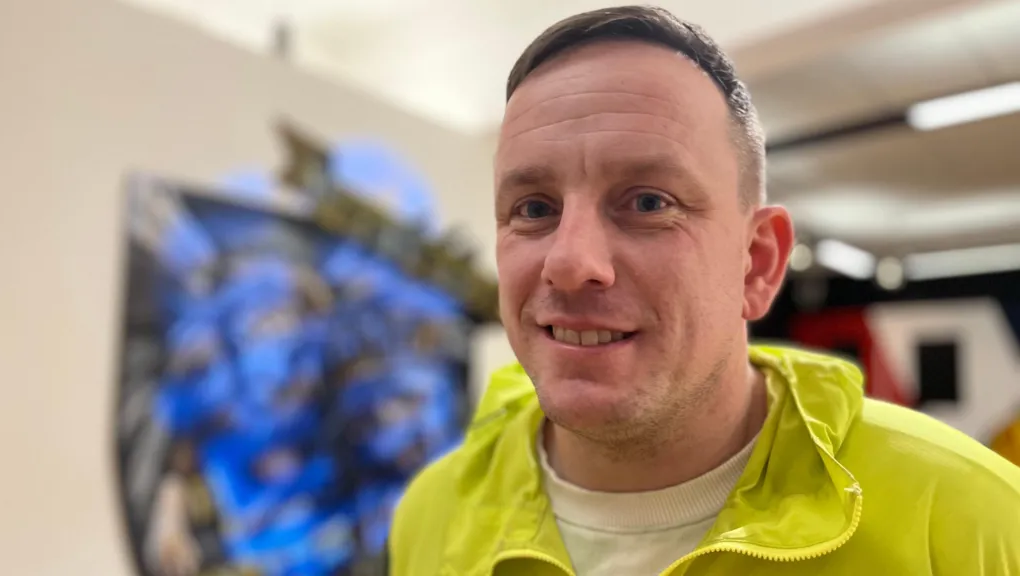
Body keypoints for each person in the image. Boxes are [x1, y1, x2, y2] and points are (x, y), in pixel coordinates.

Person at [388, 5, 1020, 575]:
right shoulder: (434, 514)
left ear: (757, 263)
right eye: (533, 208)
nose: (571, 262)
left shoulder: (969, 519)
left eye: (648, 202)